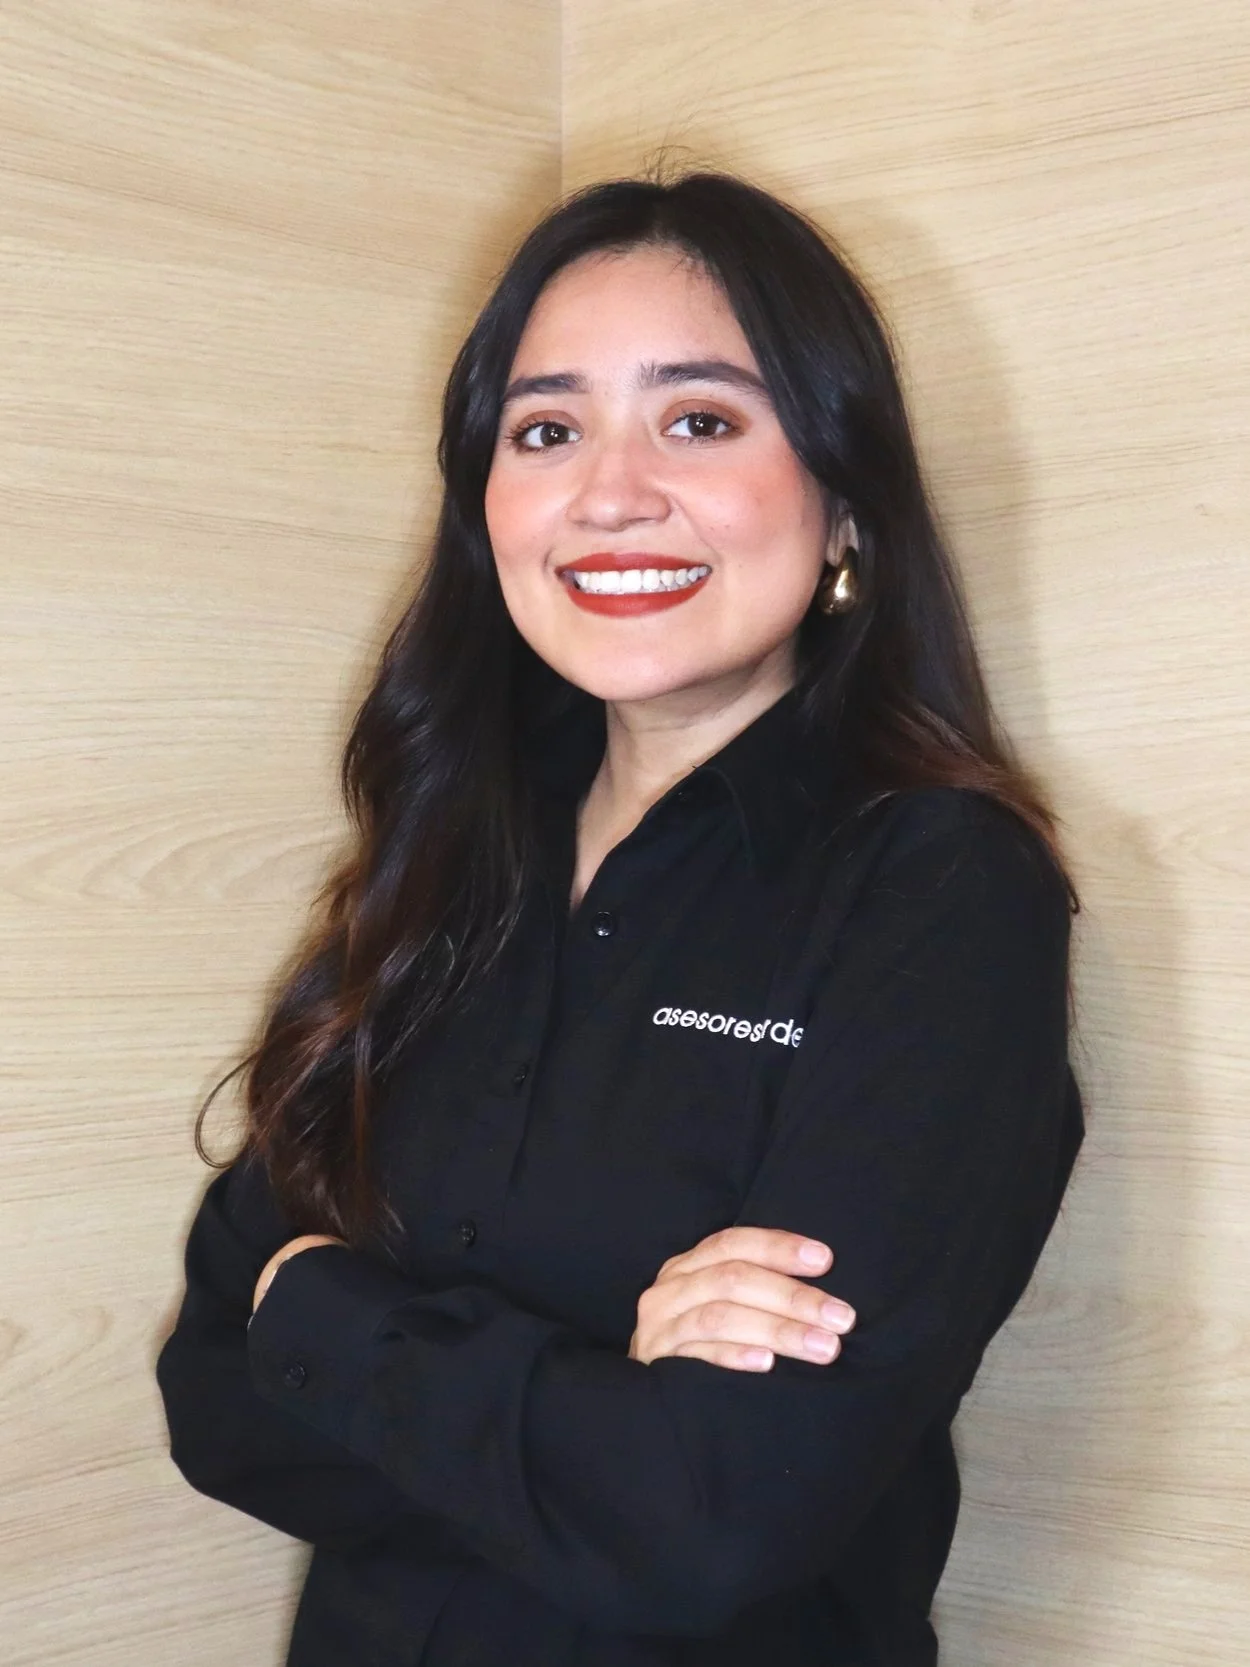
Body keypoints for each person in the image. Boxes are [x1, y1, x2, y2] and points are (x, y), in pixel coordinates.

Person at [155, 170, 1084, 1667]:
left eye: (700, 419)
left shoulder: (939, 889)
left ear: (842, 499)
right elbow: (213, 1401)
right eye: (546, 429)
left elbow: (714, 1521)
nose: (609, 491)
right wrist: (599, 1383)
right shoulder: (435, 865)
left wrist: (318, 1309)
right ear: (488, 508)